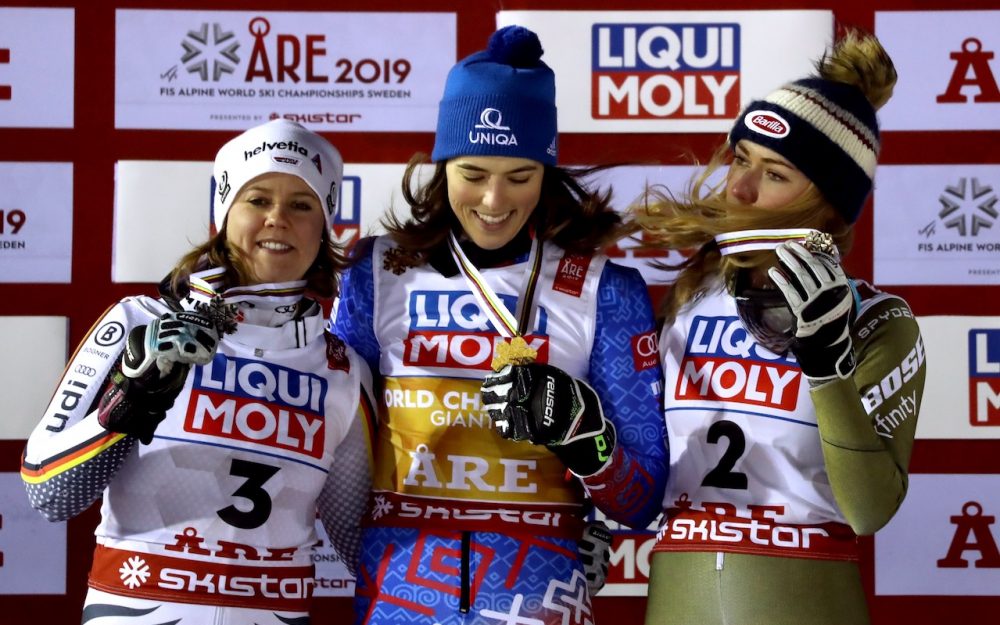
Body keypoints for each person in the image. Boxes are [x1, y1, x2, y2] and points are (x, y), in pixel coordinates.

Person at [331, 25, 667, 625]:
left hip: (538, 596)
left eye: (520, 177)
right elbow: (332, 452)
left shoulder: (602, 290)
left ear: (548, 170)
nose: (492, 200)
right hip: (400, 599)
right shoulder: (377, 273)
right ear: (441, 166)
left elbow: (641, 500)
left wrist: (586, 441)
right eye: (472, 173)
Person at [21, 119, 375, 625]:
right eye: (257, 200)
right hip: (136, 608)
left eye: (302, 205)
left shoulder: (342, 371)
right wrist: (131, 400)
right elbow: (48, 492)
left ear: (325, 227)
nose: (278, 219)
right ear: (224, 213)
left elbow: (362, 541)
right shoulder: (138, 325)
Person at [633, 31, 927, 625]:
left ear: (828, 203)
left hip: (806, 598)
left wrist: (826, 364)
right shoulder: (686, 296)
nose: (737, 188)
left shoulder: (879, 322)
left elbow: (868, 510)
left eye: (774, 173)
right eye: (740, 159)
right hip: (676, 594)